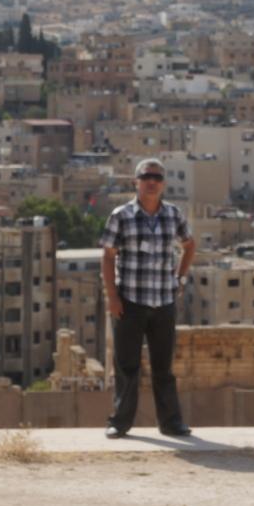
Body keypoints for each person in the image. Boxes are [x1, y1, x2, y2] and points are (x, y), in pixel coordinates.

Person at [99, 157, 196, 438]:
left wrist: (180, 278)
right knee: (126, 366)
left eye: (157, 177)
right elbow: (108, 256)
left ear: (163, 184)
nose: (151, 182)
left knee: (163, 367)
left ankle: (171, 423)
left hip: (164, 302)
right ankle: (120, 422)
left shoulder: (173, 215)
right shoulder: (121, 215)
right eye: (146, 177)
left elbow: (189, 245)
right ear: (136, 182)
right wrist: (112, 296)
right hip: (130, 302)